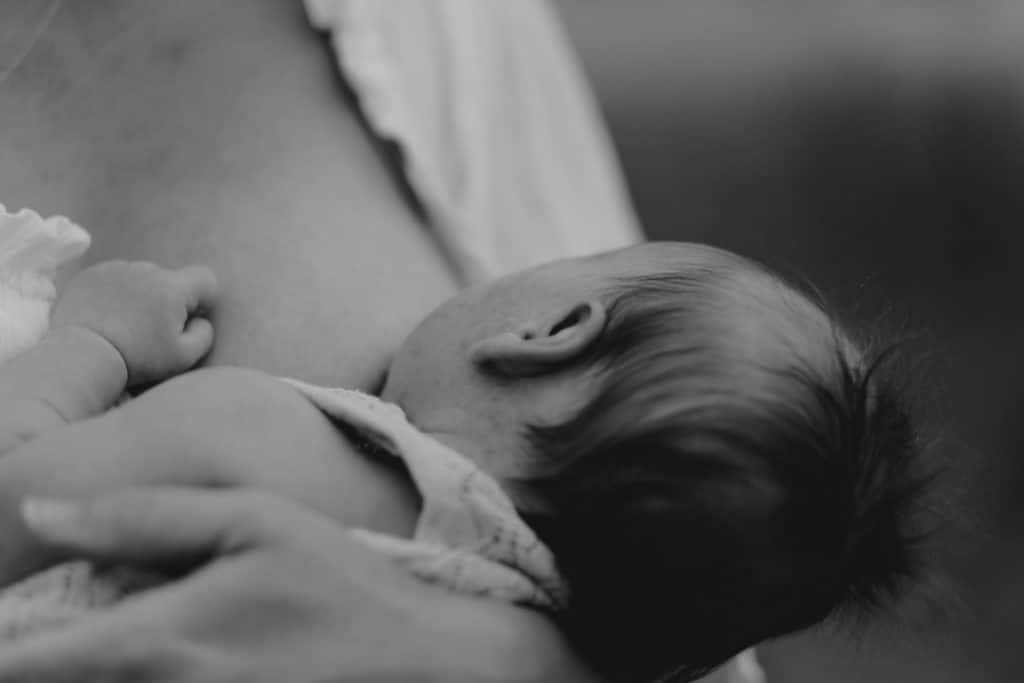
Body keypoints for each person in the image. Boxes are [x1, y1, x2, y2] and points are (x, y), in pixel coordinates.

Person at [0, 226, 929, 681]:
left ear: (552, 328)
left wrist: (94, 347)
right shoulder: (577, 644)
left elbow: (14, 499)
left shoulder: (258, 434)